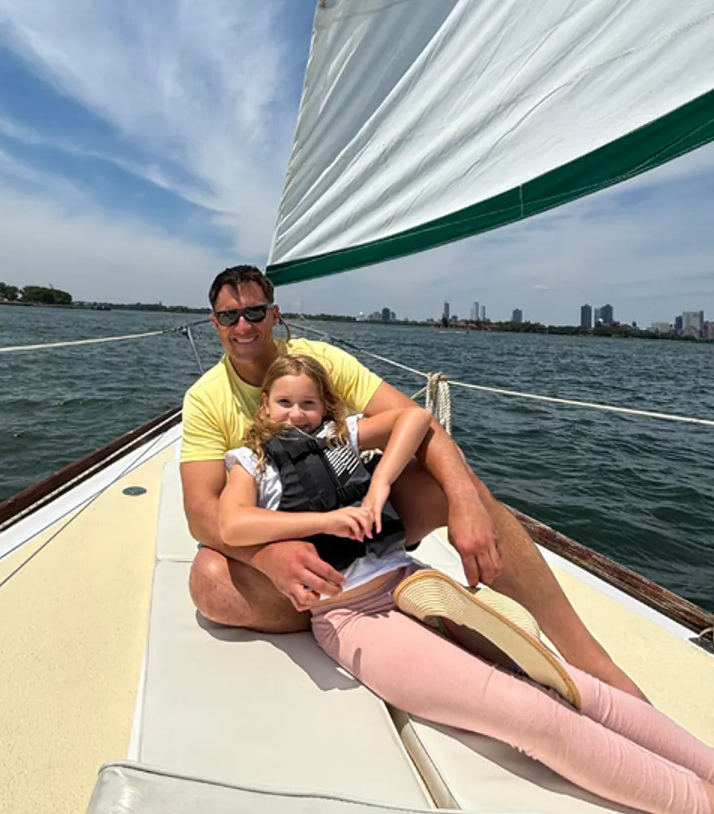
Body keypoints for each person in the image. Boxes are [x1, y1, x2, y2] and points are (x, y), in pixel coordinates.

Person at [223, 354, 714, 814]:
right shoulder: (252, 463)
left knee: (569, 684)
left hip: (411, 584)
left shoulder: (341, 439)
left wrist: (378, 488)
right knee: (529, 714)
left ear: (325, 408)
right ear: (265, 404)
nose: (295, 415)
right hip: (351, 616)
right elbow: (232, 525)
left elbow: (413, 420)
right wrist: (327, 522)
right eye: (284, 402)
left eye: (308, 404)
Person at [179, 264, 647, 701]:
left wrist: (465, 502)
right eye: (229, 316)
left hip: (362, 524)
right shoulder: (206, 399)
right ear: (214, 322)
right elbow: (203, 515)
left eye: (255, 312)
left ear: (274, 314)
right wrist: (270, 557)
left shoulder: (318, 363)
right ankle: (367, 602)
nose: (243, 326)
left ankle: (589, 659)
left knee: (460, 490)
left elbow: (418, 422)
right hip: (286, 538)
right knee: (210, 585)